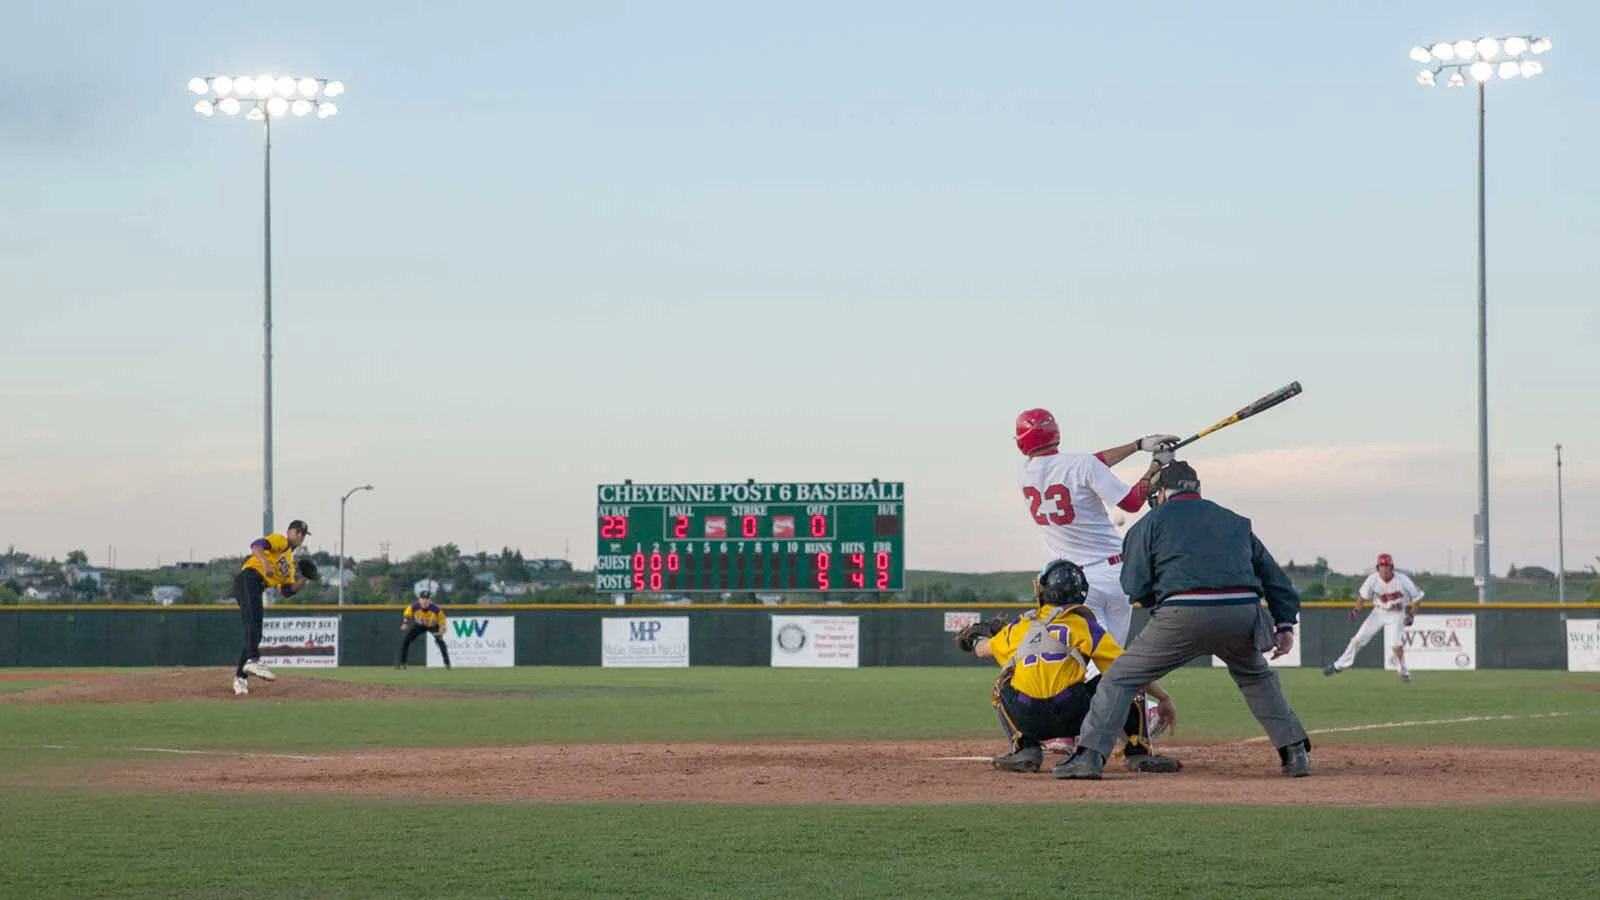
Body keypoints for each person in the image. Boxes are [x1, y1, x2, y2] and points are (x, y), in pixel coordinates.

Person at [1053, 461, 1313, 779]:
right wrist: (1285, 624)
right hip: (1242, 613)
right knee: (1257, 678)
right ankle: (1295, 752)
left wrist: (1159, 605)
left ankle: (1089, 756)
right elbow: (1275, 579)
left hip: (1182, 612)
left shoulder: (1148, 524)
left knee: (1120, 678)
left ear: (1161, 492)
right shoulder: (1236, 521)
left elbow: (1133, 585)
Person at [1014, 408, 1177, 753]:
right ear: (1056, 434)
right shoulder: (1081, 465)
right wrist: (1156, 466)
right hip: (1116, 575)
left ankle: (1066, 731)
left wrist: (1137, 445)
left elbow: (1090, 464)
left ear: (1023, 443)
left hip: (1069, 583)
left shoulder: (1026, 474)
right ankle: (1129, 726)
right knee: (1111, 660)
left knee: (1075, 658)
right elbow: (1131, 503)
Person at [958, 559, 1181, 774]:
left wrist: (976, 637)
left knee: (1003, 683)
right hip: (1073, 714)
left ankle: (1024, 748)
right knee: (1123, 678)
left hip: (1028, 718)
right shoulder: (1084, 625)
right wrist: (1163, 698)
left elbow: (982, 650)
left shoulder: (1021, 625)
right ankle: (1138, 753)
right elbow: (1129, 669)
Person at [232, 519, 313, 696]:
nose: (300, 536)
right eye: (297, 532)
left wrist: (304, 578)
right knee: (253, 623)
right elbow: (256, 545)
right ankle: (253, 660)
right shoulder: (280, 541)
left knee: (256, 631)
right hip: (248, 578)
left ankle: (240, 678)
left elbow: (286, 591)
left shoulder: (289, 564)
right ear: (290, 531)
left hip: (257, 586)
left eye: (303, 534)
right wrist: (265, 562)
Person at [1323, 553, 1425, 683]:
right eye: (1381, 566)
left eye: (1386, 565)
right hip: (1379, 612)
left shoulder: (1403, 580)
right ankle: (1338, 666)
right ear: (1378, 568)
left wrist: (1411, 615)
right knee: (1357, 640)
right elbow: (1362, 596)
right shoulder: (1373, 579)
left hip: (1397, 613)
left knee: (1396, 645)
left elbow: (1418, 598)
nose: (1384, 569)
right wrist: (1356, 610)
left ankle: (1403, 671)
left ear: (1391, 567)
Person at [397, 591, 452, 669]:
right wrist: (405, 623)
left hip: (432, 626)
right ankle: (403, 663)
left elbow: (442, 622)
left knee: (441, 642)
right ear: (419, 599)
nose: (425, 601)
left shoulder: (436, 609)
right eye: (423, 598)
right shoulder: (414, 607)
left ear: (430, 600)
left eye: (427, 599)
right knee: (406, 641)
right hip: (419, 626)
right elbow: (406, 614)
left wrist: (442, 629)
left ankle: (447, 663)